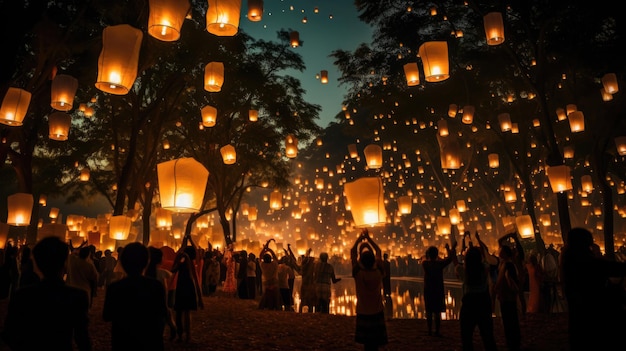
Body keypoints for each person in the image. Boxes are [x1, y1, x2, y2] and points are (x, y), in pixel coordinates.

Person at [1, 236, 92, 350]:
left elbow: (9, 334)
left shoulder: (22, 295)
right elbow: (82, 339)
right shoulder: (77, 296)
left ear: (37, 264)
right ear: (64, 264)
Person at [561, 227, 626, 350]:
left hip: (579, 317)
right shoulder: (585, 262)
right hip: (594, 316)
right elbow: (612, 268)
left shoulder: (569, 261)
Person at [102, 242, 168, 351]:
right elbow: (162, 313)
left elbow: (107, 316)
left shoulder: (115, 288)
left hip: (123, 341)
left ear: (122, 262)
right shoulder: (156, 286)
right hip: (150, 340)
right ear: (147, 262)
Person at [455, 245, 498, 351]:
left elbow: (456, 262)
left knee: (466, 336)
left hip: (469, 304)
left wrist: (454, 250)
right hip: (483, 303)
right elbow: (486, 259)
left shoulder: (463, 271)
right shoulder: (485, 268)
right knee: (487, 335)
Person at [351, 229, 388, 351]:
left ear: (360, 260)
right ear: (374, 260)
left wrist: (360, 239)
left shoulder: (358, 273)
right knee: (375, 342)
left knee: (367, 343)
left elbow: (352, 252)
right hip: (377, 311)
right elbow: (378, 251)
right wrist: (368, 238)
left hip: (363, 311)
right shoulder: (379, 272)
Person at [170, 235, 204, 342]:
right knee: (186, 313)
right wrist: (200, 297)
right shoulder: (192, 265)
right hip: (189, 289)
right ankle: (188, 335)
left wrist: (183, 245)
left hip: (181, 288)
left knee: (179, 312)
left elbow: (173, 270)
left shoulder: (181, 263)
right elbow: (197, 281)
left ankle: (180, 334)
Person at [422, 242, 457, 336]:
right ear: (437, 254)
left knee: (429, 311)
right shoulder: (439, 264)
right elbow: (450, 259)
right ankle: (437, 331)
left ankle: (429, 331)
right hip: (438, 290)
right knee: (437, 312)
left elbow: (424, 257)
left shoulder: (425, 264)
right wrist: (451, 248)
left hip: (428, 290)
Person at [145, 246, 177, 341]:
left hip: (148, 304)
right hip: (159, 304)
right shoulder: (162, 274)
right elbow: (164, 290)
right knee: (163, 320)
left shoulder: (144, 274)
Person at [494, 244, 521, 351]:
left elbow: (509, 280)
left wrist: (498, 288)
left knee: (510, 318)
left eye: (500, 250)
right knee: (508, 318)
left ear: (504, 252)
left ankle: (513, 341)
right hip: (505, 295)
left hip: (508, 296)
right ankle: (511, 340)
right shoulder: (504, 263)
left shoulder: (508, 265)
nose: (498, 251)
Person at [258, 239, 281, 310]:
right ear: (270, 259)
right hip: (274, 280)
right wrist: (270, 249)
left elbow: (260, 256)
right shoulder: (274, 264)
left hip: (266, 281)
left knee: (266, 294)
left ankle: (265, 306)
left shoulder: (263, 265)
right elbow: (275, 257)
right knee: (275, 295)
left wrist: (265, 248)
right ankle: (275, 307)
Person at [382, 253, 392, 318]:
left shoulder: (383, 263)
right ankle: (388, 293)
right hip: (387, 276)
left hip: (384, 276)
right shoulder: (388, 263)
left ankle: (385, 293)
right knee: (387, 284)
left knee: (384, 285)